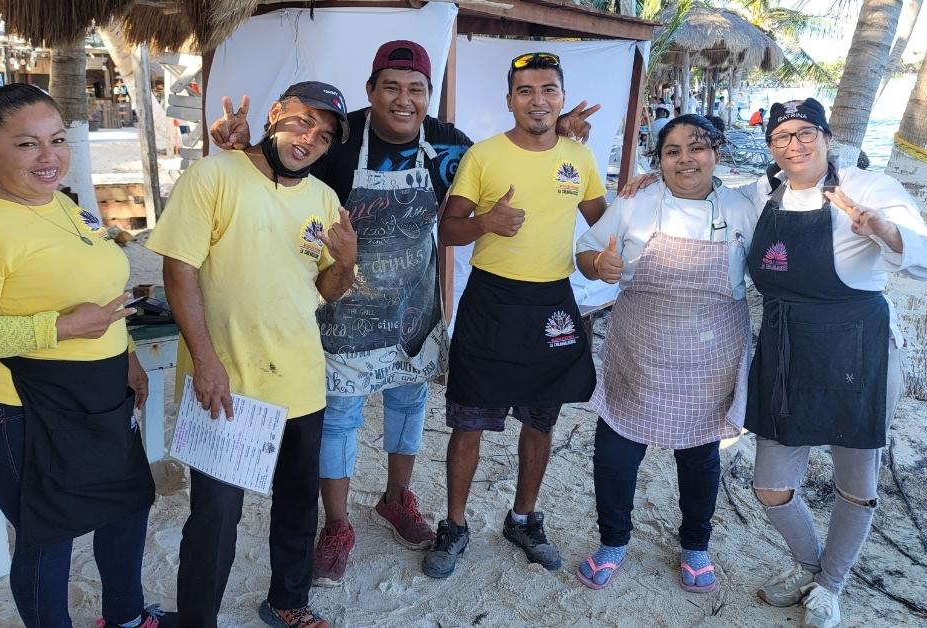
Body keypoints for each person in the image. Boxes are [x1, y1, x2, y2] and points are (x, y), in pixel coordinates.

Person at [207, 41, 600, 588]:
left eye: (415, 89)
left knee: (409, 407)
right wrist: (242, 147)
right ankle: (339, 525)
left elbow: (509, 170)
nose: (403, 100)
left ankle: (397, 498)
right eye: (390, 87)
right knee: (341, 419)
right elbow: (279, 172)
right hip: (344, 307)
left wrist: (559, 136)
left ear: (428, 96)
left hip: (415, 311)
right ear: (371, 91)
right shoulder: (340, 143)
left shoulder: (448, 146)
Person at [0, 81, 171, 628]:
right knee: (48, 536)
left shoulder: (63, 204)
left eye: (57, 140)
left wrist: (125, 353)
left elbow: (102, 295)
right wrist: (60, 328)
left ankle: (128, 618)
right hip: (17, 411)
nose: (49, 157)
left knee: (127, 507)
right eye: (27, 144)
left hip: (99, 395)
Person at [147, 81, 357, 628]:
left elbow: (326, 290)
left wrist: (347, 262)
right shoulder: (214, 176)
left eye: (325, 134)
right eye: (302, 121)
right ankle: (198, 619)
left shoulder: (324, 200)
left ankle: (288, 601)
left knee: (296, 502)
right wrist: (206, 362)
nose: (310, 138)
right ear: (274, 114)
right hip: (229, 380)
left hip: (302, 379)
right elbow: (178, 271)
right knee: (216, 514)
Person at [737, 99, 927, 627]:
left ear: (827, 137)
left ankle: (831, 587)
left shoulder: (870, 188)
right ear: (772, 147)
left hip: (859, 350)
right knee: (771, 485)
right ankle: (814, 568)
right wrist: (645, 186)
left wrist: (883, 229)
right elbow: (698, 196)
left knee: (856, 482)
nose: (795, 145)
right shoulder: (763, 193)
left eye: (806, 133)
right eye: (782, 137)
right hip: (786, 349)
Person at [424, 51, 607, 579]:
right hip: (490, 301)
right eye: (525, 91)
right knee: (468, 422)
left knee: (540, 421)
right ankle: (455, 526)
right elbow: (449, 229)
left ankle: (524, 518)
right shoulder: (483, 156)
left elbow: (605, 223)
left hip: (552, 302)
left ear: (562, 98)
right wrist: (485, 221)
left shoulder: (580, 157)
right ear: (509, 100)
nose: (538, 100)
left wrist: (644, 198)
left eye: (548, 89)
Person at [573, 114, 759, 593]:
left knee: (699, 453)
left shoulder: (743, 208)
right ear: (659, 162)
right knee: (616, 447)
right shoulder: (636, 202)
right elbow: (585, 254)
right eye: (672, 151)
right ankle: (613, 541)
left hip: (710, 353)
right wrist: (600, 265)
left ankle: (695, 545)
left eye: (696, 148)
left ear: (717, 152)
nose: (685, 159)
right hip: (640, 346)